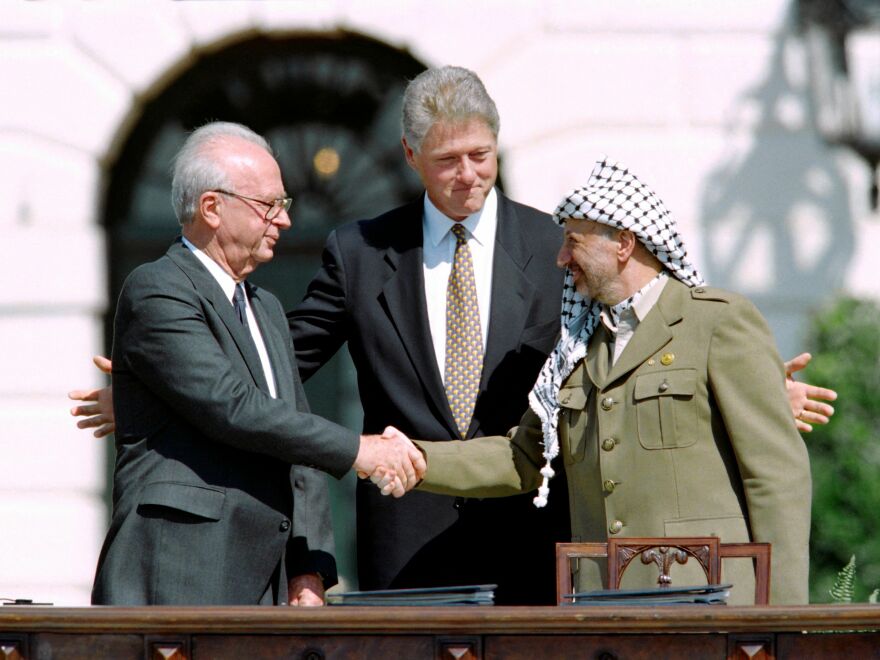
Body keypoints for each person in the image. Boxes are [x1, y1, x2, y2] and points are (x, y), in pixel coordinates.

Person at [71, 68, 835, 605]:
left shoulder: (557, 245)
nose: (469, 175)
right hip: (408, 543)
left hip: (548, 543)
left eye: (482, 156)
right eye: (448, 161)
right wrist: (158, 387)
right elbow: (277, 369)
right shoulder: (360, 250)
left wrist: (753, 390)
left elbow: (629, 357)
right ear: (411, 159)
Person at [394, 157, 814, 604]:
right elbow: (523, 457)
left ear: (624, 244)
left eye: (573, 242)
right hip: (601, 606)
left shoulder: (716, 323)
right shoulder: (575, 348)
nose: (561, 259)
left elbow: (776, 478)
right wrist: (415, 459)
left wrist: (784, 619)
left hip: (706, 602)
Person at [90, 121, 424, 606]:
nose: (285, 220)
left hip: (264, 582)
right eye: (270, 205)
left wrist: (311, 567)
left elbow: (293, 429)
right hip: (179, 573)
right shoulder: (157, 288)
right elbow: (234, 407)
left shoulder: (264, 306)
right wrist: (359, 450)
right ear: (212, 208)